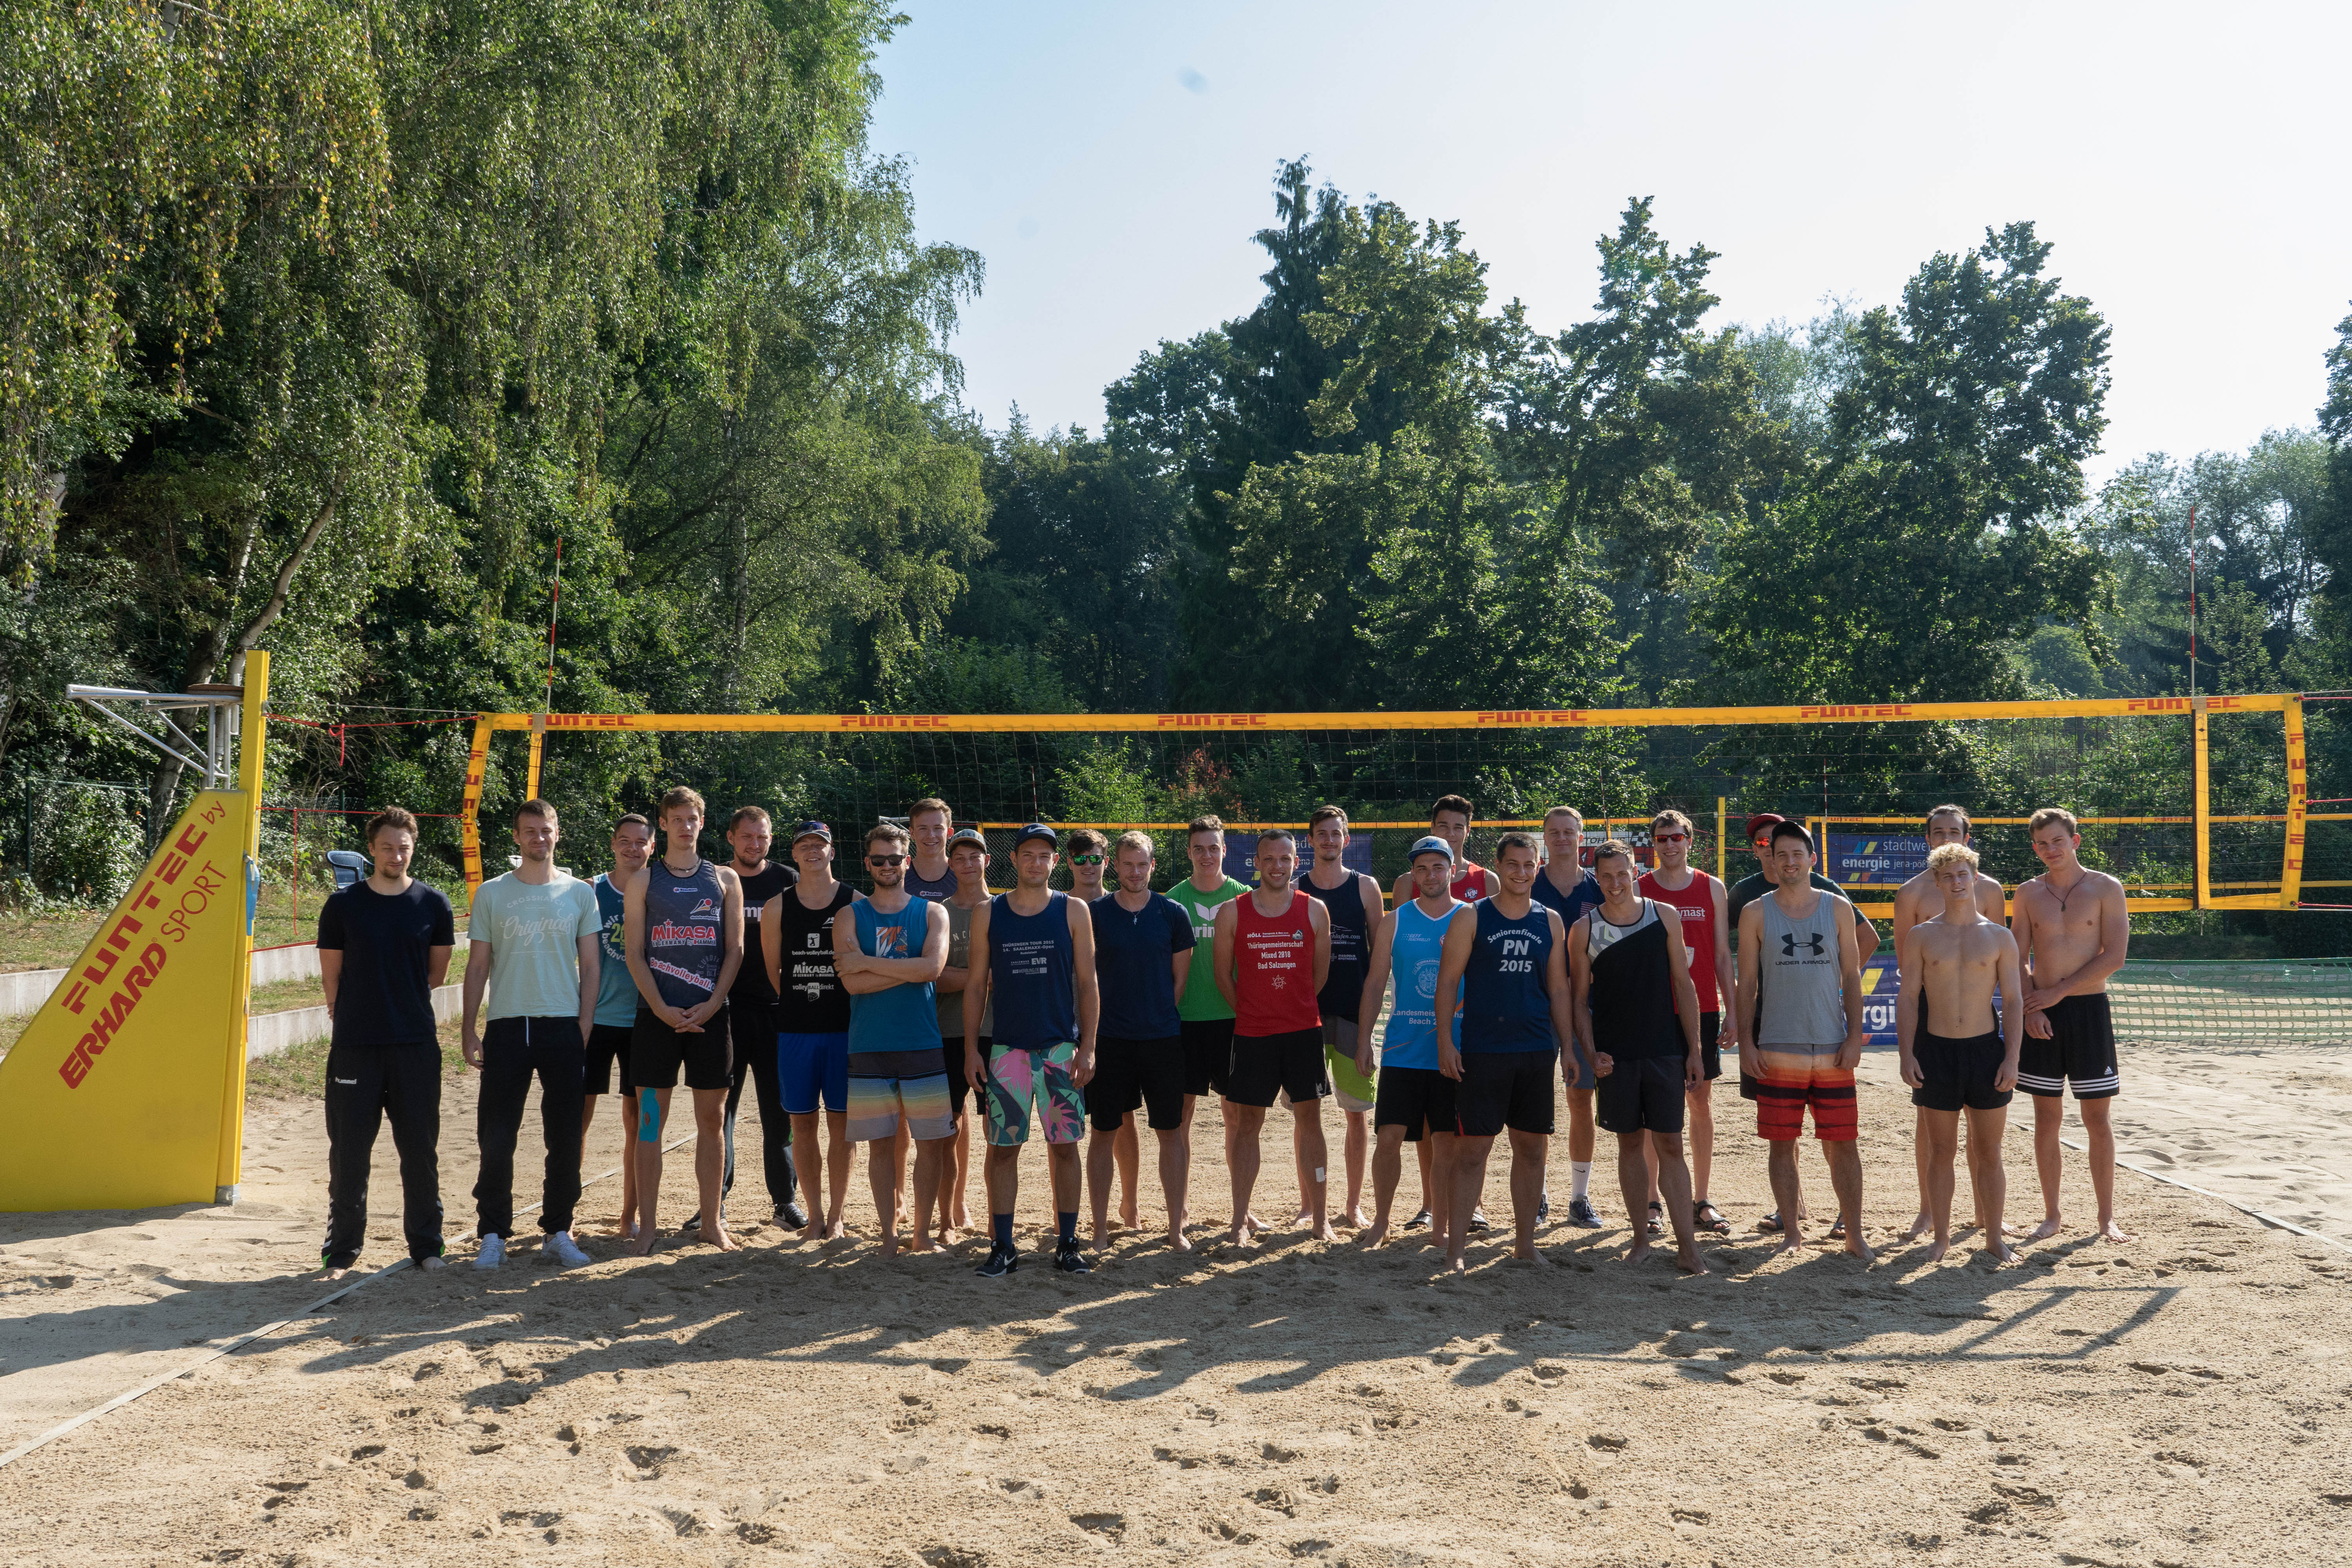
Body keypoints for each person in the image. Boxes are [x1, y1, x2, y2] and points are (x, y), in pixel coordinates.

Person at [461, 799, 602, 1269]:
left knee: (563, 1135)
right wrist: (468, 1027)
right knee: (497, 1136)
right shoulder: (493, 894)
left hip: (562, 1024)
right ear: (517, 837)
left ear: (557, 833)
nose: (539, 837)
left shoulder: (579, 893)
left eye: (546, 829)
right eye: (530, 831)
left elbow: (592, 965)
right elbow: (478, 964)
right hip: (506, 1025)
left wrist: (584, 1022)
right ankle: (493, 1233)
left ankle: (559, 1229)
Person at [316, 807, 456, 1279]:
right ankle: (342, 1251)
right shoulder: (343, 906)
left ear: (413, 848)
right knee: (350, 1151)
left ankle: (426, 1244)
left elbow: (435, 975)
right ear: (371, 849)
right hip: (355, 1044)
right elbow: (331, 977)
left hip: (414, 1043)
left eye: (404, 847)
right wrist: (353, 1014)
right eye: (387, 847)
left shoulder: (433, 905)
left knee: (420, 1149)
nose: (396, 854)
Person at [1726, 811, 1879, 1236]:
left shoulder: (1838, 908)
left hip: (1832, 1044)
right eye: (1781, 854)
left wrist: (1853, 1037)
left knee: (1844, 1143)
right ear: (1771, 860)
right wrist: (1748, 1046)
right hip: (1777, 1044)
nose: (1789, 861)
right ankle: (1792, 1231)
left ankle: (1854, 1234)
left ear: (1812, 858)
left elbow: (1851, 976)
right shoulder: (1755, 911)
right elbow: (1748, 984)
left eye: (1797, 853)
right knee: (1782, 1143)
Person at [1434, 831, 1578, 1272]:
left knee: (1532, 1149)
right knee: (1473, 1151)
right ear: (1498, 867)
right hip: (1484, 1051)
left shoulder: (1550, 920)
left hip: (1537, 1049)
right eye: (1513, 864)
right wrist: (1445, 1041)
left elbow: (1557, 987)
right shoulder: (1472, 916)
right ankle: (1456, 1250)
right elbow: (1447, 983)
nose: (1521, 872)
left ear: (1538, 866)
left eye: (1528, 864)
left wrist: (1568, 1047)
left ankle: (1524, 1244)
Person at [966, 823, 1100, 1278]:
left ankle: (1067, 1243)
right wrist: (971, 1049)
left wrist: (1088, 1047)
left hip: (1061, 1048)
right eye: (1028, 854)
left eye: (1045, 855)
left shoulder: (1073, 909)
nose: (1036, 862)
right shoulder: (990, 912)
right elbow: (975, 987)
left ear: (1055, 862)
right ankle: (1003, 1246)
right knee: (1003, 1149)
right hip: (1007, 1051)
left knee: (1065, 1147)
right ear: (1015, 859)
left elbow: (1088, 983)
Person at [1574, 840, 1708, 1275]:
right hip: (1616, 1056)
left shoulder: (1663, 915)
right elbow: (1579, 1001)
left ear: (1635, 871)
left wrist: (1695, 1049)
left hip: (1664, 1050)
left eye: (1622, 873)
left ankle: (1688, 1247)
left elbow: (1684, 987)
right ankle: (1640, 1239)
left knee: (1670, 1143)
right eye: (1606, 876)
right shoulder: (1585, 929)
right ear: (1598, 877)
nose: (1615, 883)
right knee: (1629, 1143)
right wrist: (1592, 1052)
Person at [621, 787, 745, 1254]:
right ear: (664, 824)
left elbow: (735, 949)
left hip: (710, 1015)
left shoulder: (726, 879)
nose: (686, 825)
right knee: (650, 1124)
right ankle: (649, 1227)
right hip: (658, 1017)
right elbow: (635, 953)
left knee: (712, 1122)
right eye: (677, 818)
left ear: (702, 822)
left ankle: (712, 1222)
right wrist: (660, 1008)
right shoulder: (643, 881)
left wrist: (713, 1004)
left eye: (693, 817)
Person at [1897, 841, 2024, 1263]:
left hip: (1986, 1051)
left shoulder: (1999, 936)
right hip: (1936, 1052)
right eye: (1947, 875)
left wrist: (2012, 1058)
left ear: (1975, 878)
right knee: (1941, 1151)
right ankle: (1942, 1237)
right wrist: (1906, 1054)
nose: (1956, 882)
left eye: (1962, 874)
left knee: (1989, 1152)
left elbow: (2014, 1001)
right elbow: (1909, 999)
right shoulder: (1922, 935)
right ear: (1937, 881)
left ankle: (1992, 1237)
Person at [2011, 806, 2132, 1244]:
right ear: (2035, 847)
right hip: (2041, 1013)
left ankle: (2106, 1219)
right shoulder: (2028, 893)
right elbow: (2017, 957)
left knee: (2097, 1119)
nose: (2050, 850)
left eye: (2057, 841)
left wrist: (2057, 993)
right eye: (2042, 844)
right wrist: (2033, 1008)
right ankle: (2052, 1215)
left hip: (2087, 1009)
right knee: (2047, 1118)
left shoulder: (2106, 887)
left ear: (2075, 840)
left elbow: (2114, 956)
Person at [834, 822, 952, 1257]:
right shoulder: (851, 914)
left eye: (895, 858)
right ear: (868, 863)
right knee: (881, 1147)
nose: (888, 866)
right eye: (879, 859)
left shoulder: (931, 912)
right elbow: (852, 985)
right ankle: (888, 1235)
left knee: (931, 1144)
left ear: (909, 860)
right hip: (869, 1044)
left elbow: (933, 970)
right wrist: (908, 967)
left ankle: (921, 1233)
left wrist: (867, 963)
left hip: (922, 1041)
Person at [1214, 829, 1334, 1245]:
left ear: (1295, 861)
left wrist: (1293, 1006)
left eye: (1285, 858)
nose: (1277, 866)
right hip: (1253, 1035)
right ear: (1256, 863)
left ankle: (1321, 1218)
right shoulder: (1232, 912)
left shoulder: (1315, 910)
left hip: (1303, 1032)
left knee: (1311, 1122)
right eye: (1269, 859)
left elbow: (1318, 977)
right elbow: (1222, 977)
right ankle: (1239, 1219)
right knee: (1248, 1125)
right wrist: (1252, 1008)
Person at [1083, 830, 1197, 1248]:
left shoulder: (1172, 913)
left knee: (1171, 1132)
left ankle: (1175, 1229)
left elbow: (1178, 981)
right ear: (1116, 865)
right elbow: (1085, 978)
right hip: (1110, 1039)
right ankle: (1098, 1229)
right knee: (1103, 1132)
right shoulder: (1094, 913)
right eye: (1128, 864)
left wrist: (1154, 1015)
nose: (1135, 871)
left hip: (1161, 1038)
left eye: (1143, 864)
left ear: (1153, 865)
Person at [1352, 837, 1465, 1250]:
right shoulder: (1396, 920)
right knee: (1389, 1138)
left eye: (1438, 867)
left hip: (1452, 1049)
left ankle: (1440, 1226)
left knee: (1446, 1143)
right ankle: (1381, 1221)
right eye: (1422, 869)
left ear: (1452, 870)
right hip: (1403, 1047)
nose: (1430, 875)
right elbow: (1376, 982)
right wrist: (1366, 1041)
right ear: (1412, 875)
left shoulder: (1468, 917)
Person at [701, 805, 803, 1236]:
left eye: (762, 837)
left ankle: (785, 1202)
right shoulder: (716, 879)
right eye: (747, 836)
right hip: (725, 1010)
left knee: (779, 1112)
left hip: (777, 1011)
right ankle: (715, 1204)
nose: (755, 844)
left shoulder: (787, 880)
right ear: (730, 838)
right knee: (720, 1109)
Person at [1637, 808, 1735, 1237]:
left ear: (1690, 841)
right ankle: (1652, 1202)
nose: (1670, 845)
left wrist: (1732, 1008)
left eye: (1677, 838)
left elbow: (1721, 954)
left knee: (1699, 1102)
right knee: (1652, 1112)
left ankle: (1702, 1198)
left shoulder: (1712, 887)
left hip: (1701, 1011)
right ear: (1654, 845)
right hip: (1653, 1009)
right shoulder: (1639, 889)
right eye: (1662, 839)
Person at [763, 820, 858, 1241]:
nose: (813, 851)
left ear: (832, 851)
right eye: (805, 846)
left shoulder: (854, 901)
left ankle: (837, 1215)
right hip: (796, 1032)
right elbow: (774, 971)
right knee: (802, 1126)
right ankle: (815, 1214)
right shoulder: (777, 906)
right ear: (795, 854)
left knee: (842, 1127)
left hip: (844, 1031)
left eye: (820, 844)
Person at [1297, 804, 1382, 1229]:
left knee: (1356, 1114)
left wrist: (1369, 1030)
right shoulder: (1296, 889)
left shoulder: (1366, 887)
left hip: (1353, 1017)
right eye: (1322, 834)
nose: (1329, 840)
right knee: (1305, 1113)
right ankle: (1309, 1206)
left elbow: (1379, 962)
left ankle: (1352, 1206)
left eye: (1337, 834)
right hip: (1307, 1017)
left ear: (1347, 840)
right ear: (1309, 840)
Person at [1530, 806, 1605, 1228]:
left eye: (1568, 832)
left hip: (1584, 1004)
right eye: (1553, 832)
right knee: (1537, 1101)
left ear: (1582, 837)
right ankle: (1537, 1194)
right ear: (1544, 837)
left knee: (1580, 1098)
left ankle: (1579, 1196)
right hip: (1535, 1004)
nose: (1561, 838)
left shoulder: (1599, 887)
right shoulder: (1527, 883)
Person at [1169, 815, 1252, 1194]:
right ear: (1189, 852)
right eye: (1199, 848)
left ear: (1224, 849)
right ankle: (1180, 1207)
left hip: (1233, 1020)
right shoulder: (1172, 902)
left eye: (1213, 848)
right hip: (1185, 1021)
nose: (1207, 855)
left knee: (1236, 1116)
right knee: (1181, 1117)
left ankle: (1242, 1209)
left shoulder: (1245, 899)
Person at [583, 813, 653, 1238]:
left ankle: (628, 1217)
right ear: (613, 844)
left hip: (644, 1022)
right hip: (595, 1021)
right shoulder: (591, 891)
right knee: (579, 1120)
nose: (632, 848)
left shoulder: (660, 890)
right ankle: (565, 1217)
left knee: (638, 1123)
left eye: (641, 841)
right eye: (624, 841)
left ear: (652, 846)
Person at [929, 826, 993, 1240]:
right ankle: (949, 1216)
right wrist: (980, 977)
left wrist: (968, 978)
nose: (967, 864)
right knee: (946, 1130)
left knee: (997, 1133)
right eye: (960, 857)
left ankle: (995, 1217)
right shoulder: (937, 912)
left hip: (997, 1033)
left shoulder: (1006, 908)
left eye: (975, 856)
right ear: (949, 863)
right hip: (947, 1032)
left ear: (987, 860)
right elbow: (931, 976)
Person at [1388, 793, 1499, 909]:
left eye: (1458, 828)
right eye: (1443, 826)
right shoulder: (1406, 883)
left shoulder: (1487, 880)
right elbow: (1402, 925)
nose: (1450, 834)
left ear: (1468, 831)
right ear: (1433, 827)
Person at [904, 797, 960, 900]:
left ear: (949, 833)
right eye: (923, 829)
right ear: (912, 833)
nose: (931, 835)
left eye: (938, 828)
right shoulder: (899, 876)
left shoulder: (964, 875)